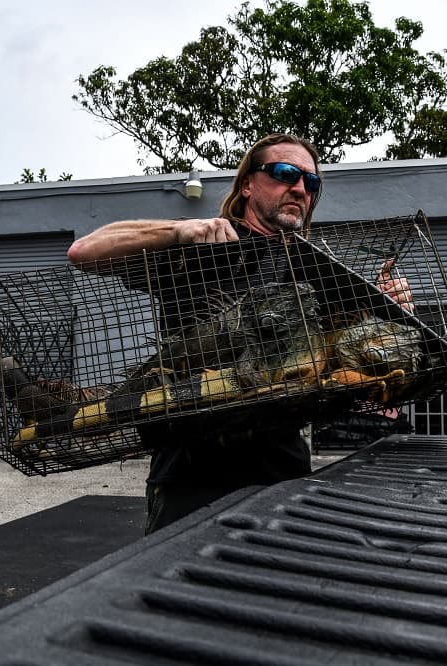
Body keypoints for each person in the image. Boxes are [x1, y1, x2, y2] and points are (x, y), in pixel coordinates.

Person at [67, 133, 411, 533]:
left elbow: (351, 369)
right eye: (285, 173)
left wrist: (391, 310)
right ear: (247, 184)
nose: (299, 188)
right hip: (189, 471)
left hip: (280, 470)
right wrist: (176, 231)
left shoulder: (318, 270)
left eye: (311, 182)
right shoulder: (201, 243)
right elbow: (83, 252)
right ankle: (67, 402)